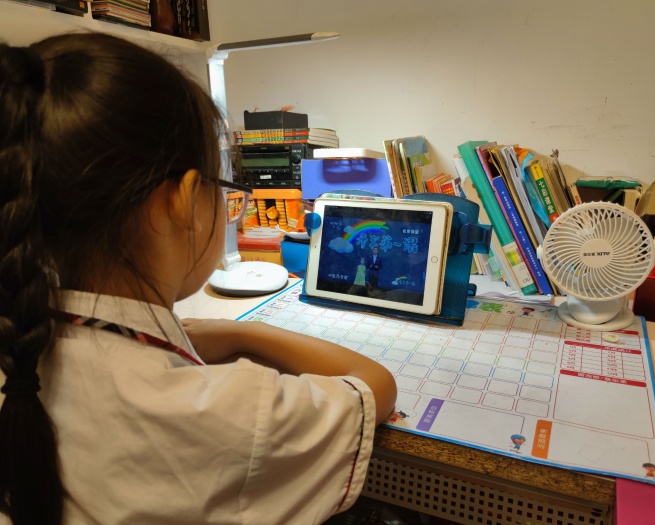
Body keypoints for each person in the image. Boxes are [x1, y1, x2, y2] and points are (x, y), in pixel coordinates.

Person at [0, 33, 397, 525]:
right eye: (223, 186)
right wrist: (245, 332)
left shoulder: (20, 348)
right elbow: (376, 388)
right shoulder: (227, 409)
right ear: (184, 200)